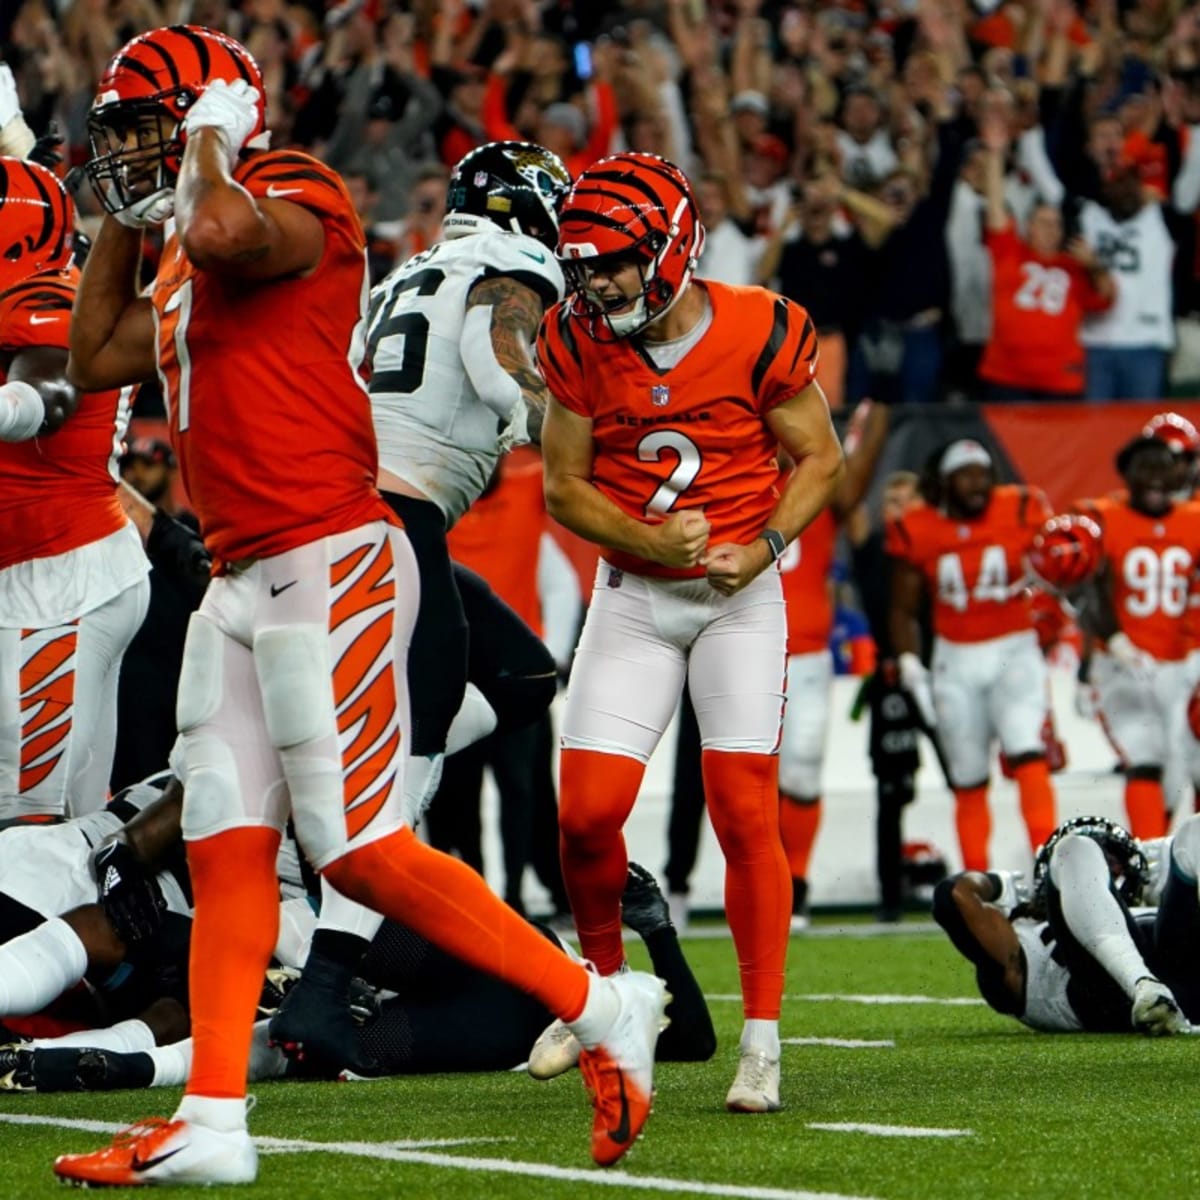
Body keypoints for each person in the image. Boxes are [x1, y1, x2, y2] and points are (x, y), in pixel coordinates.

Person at [54, 27, 665, 1187]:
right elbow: (95, 355)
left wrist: (211, 151)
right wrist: (132, 222)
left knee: (360, 849)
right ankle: (216, 1121)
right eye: (118, 135)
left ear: (212, 116)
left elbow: (232, 226)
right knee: (227, 844)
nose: (129, 152)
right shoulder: (182, 241)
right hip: (240, 573)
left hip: (333, 555)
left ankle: (599, 1001)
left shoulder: (291, 188)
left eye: (148, 129)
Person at [538, 151, 845, 1114]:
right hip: (634, 592)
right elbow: (563, 485)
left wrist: (764, 546)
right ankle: (601, 1002)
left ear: (670, 249)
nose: (595, 283)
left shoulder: (759, 327)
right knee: (586, 815)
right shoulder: (577, 339)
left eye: (613, 263)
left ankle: (762, 1041)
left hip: (737, 601)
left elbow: (820, 458)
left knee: (743, 810)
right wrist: (647, 537)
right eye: (582, 265)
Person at [269, 140, 578, 1077]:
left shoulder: (407, 269)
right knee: (403, 775)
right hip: (393, 525)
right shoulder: (513, 263)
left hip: (343, 514)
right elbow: (500, 365)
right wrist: (573, 438)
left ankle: (321, 910)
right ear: (529, 210)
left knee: (524, 673)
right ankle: (322, 987)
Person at [6, 863, 717, 1094]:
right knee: (297, 1036)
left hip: (512, 991)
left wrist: (654, 928)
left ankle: (121, 1054)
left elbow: (694, 1040)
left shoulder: (624, 986)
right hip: (504, 1017)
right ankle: (127, 1067)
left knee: (311, 1017)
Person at [0, 155, 150, 823]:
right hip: (70, 565)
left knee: (23, 823)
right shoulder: (52, 282)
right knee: (77, 824)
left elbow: (50, 393)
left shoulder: (43, 299)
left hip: (53, 582)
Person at [887, 440, 1057, 871]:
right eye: (966, 474)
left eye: (983, 472)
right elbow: (903, 607)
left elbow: (1054, 570)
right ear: (944, 483)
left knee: (1026, 748)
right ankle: (977, 879)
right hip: (955, 658)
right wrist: (910, 663)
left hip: (1014, 648)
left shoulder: (1021, 507)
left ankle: (1048, 864)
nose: (977, 482)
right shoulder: (918, 526)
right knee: (967, 776)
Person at [933, 813, 1195, 1035]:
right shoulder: (1026, 940)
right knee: (1072, 849)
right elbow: (953, 895)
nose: (1103, 870)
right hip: (1110, 995)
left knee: (1193, 830)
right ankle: (1145, 988)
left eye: (1111, 864)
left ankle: (1150, 991)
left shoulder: (1152, 901)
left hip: (1188, 968)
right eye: (1100, 863)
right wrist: (997, 883)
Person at [1074, 435, 1200, 839]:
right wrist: (1115, 644)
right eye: (1145, 467)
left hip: (1178, 666)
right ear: (1125, 473)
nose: (1155, 478)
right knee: (1145, 757)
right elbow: (1085, 590)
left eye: (1163, 467)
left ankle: (1159, 867)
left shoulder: (1192, 518)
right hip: (1122, 664)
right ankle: (1149, 860)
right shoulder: (1100, 517)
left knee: (1179, 770)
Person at [976, 110, 1114, 401]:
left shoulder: (1074, 266)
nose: (1051, 229)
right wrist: (994, 155)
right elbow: (996, 209)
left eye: (1056, 224)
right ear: (1028, 227)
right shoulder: (1010, 252)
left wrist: (1093, 266)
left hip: (1059, 380)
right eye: (1043, 222)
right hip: (1007, 376)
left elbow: (1106, 297)